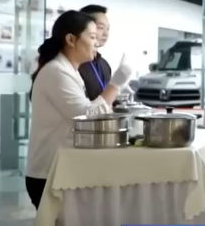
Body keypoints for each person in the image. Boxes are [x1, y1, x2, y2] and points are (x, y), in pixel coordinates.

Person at [25, 11, 133, 209]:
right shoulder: (56, 71)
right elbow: (86, 117)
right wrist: (115, 84)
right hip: (47, 173)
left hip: (61, 169)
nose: (96, 43)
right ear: (71, 40)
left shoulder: (69, 70)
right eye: (92, 37)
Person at [77, 5, 112, 100]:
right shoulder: (76, 64)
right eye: (100, 28)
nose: (106, 33)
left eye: (108, 28)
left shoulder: (104, 64)